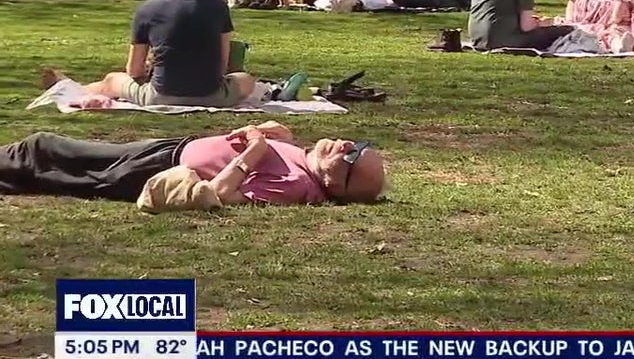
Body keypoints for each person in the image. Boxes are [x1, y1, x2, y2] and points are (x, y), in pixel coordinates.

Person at [62, 0, 256, 107]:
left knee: (113, 80)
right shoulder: (217, 5)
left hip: (160, 97)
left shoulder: (147, 10)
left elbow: (134, 70)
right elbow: (221, 66)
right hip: (213, 96)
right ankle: (71, 87)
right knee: (246, 80)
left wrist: (149, 67)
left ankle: (75, 89)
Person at [0, 121, 385, 205]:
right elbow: (276, 158)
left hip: (155, 172)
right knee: (47, 156)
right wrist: (279, 137)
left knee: (46, 152)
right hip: (169, 148)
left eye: (351, 155)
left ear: (336, 185)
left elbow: (219, 194)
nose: (347, 143)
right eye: (360, 142)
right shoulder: (304, 164)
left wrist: (254, 149)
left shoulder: (298, 188)